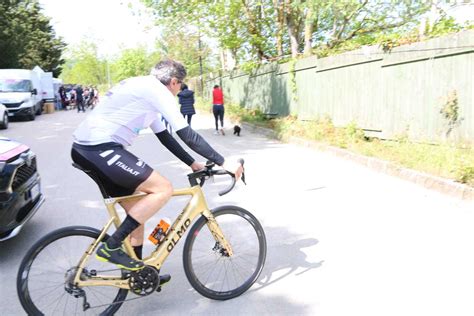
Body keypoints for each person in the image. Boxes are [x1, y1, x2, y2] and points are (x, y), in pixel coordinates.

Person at [71, 59, 243, 275]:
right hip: (99, 148)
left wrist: (192, 163)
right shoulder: (156, 91)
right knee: (163, 188)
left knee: (137, 212)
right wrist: (224, 162)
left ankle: (139, 274)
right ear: (173, 81)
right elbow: (186, 133)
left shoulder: (146, 91)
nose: (179, 89)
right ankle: (111, 246)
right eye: (180, 84)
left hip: (89, 149)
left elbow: (165, 137)